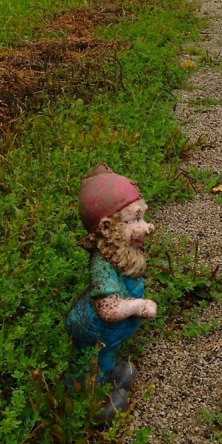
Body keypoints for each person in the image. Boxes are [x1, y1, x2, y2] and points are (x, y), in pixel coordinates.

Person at [66, 164, 157, 422]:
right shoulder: (102, 266)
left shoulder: (119, 254)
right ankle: (89, 401)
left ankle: (108, 375)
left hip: (107, 336)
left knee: (106, 356)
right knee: (91, 364)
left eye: (143, 217)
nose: (147, 227)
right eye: (135, 220)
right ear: (106, 228)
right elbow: (107, 309)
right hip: (93, 329)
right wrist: (139, 306)